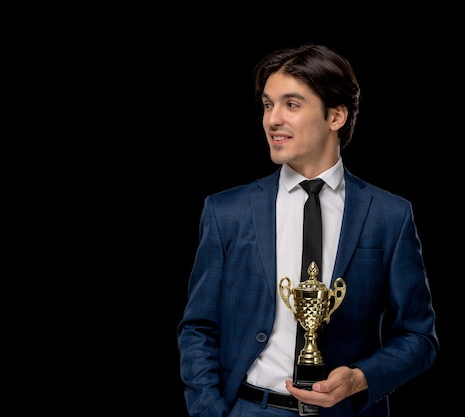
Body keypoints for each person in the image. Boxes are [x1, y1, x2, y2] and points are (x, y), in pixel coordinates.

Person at [176, 44, 439, 417]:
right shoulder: (227, 212)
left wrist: (361, 378)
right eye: (268, 104)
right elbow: (198, 328)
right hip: (251, 409)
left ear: (336, 116)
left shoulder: (389, 216)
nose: (272, 119)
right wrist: (210, 411)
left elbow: (418, 337)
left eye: (292, 104)